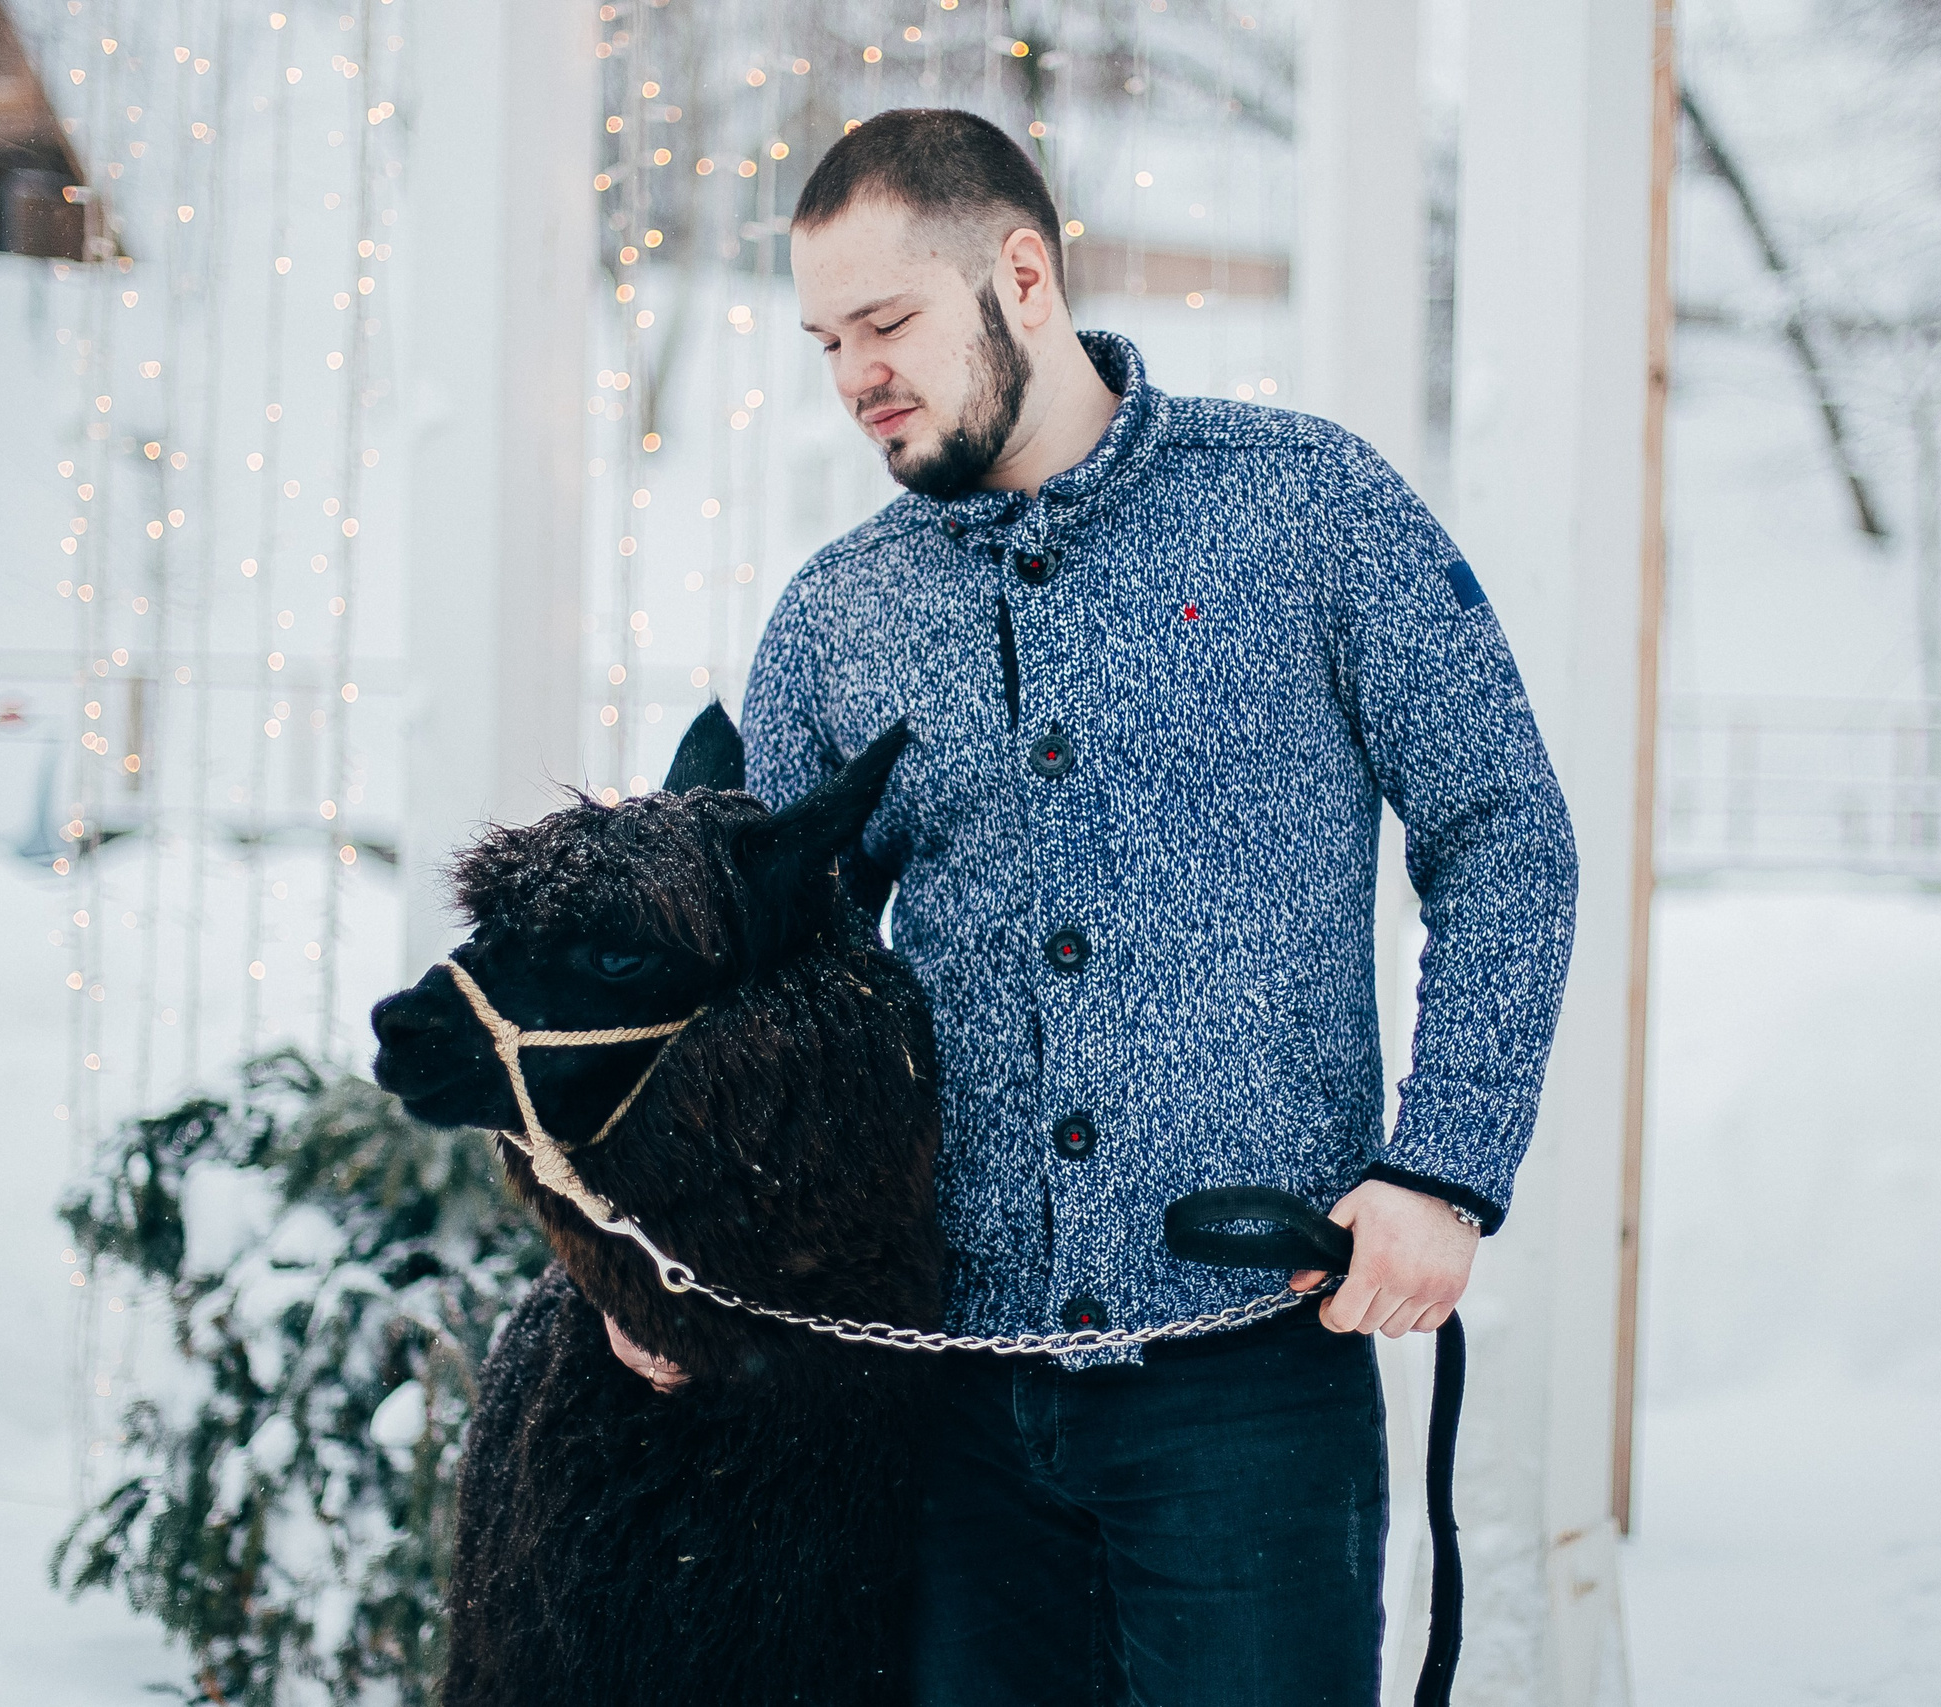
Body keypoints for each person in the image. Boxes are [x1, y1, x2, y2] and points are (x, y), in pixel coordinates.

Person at [611, 108, 1577, 1706]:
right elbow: (765, 995)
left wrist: (1448, 1164)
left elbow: (1503, 833)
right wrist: (666, 1259)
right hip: (952, 1403)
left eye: (888, 322)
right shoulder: (836, 620)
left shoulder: (1310, 510)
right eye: (826, 339)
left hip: (1251, 1380)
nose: (856, 374)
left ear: (1023, 275)